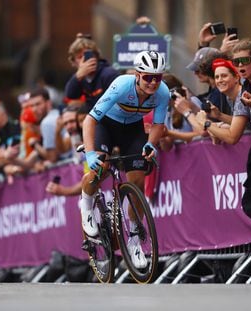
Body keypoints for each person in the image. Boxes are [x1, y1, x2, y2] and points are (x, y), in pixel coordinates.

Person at [78, 50, 169, 269]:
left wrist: (151, 144)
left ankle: (134, 239)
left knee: (137, 180)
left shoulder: (163, 92)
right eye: (148, 77)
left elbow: (157, 124)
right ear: (137, 75)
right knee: (100, 168)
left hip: (133, 130)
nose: (153, 83)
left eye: (157, 77)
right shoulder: (121, 85)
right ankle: (87, 208)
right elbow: (90, 120)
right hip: (106, 126)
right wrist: (91, 154)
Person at [64, 34, 120, 110]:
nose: (84, 60)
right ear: (74, 62)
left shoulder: (109, 74)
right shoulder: (80, 77)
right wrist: (78, 76)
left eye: (87, 56)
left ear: (96, 56)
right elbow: (71, 95)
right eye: (80, 57)